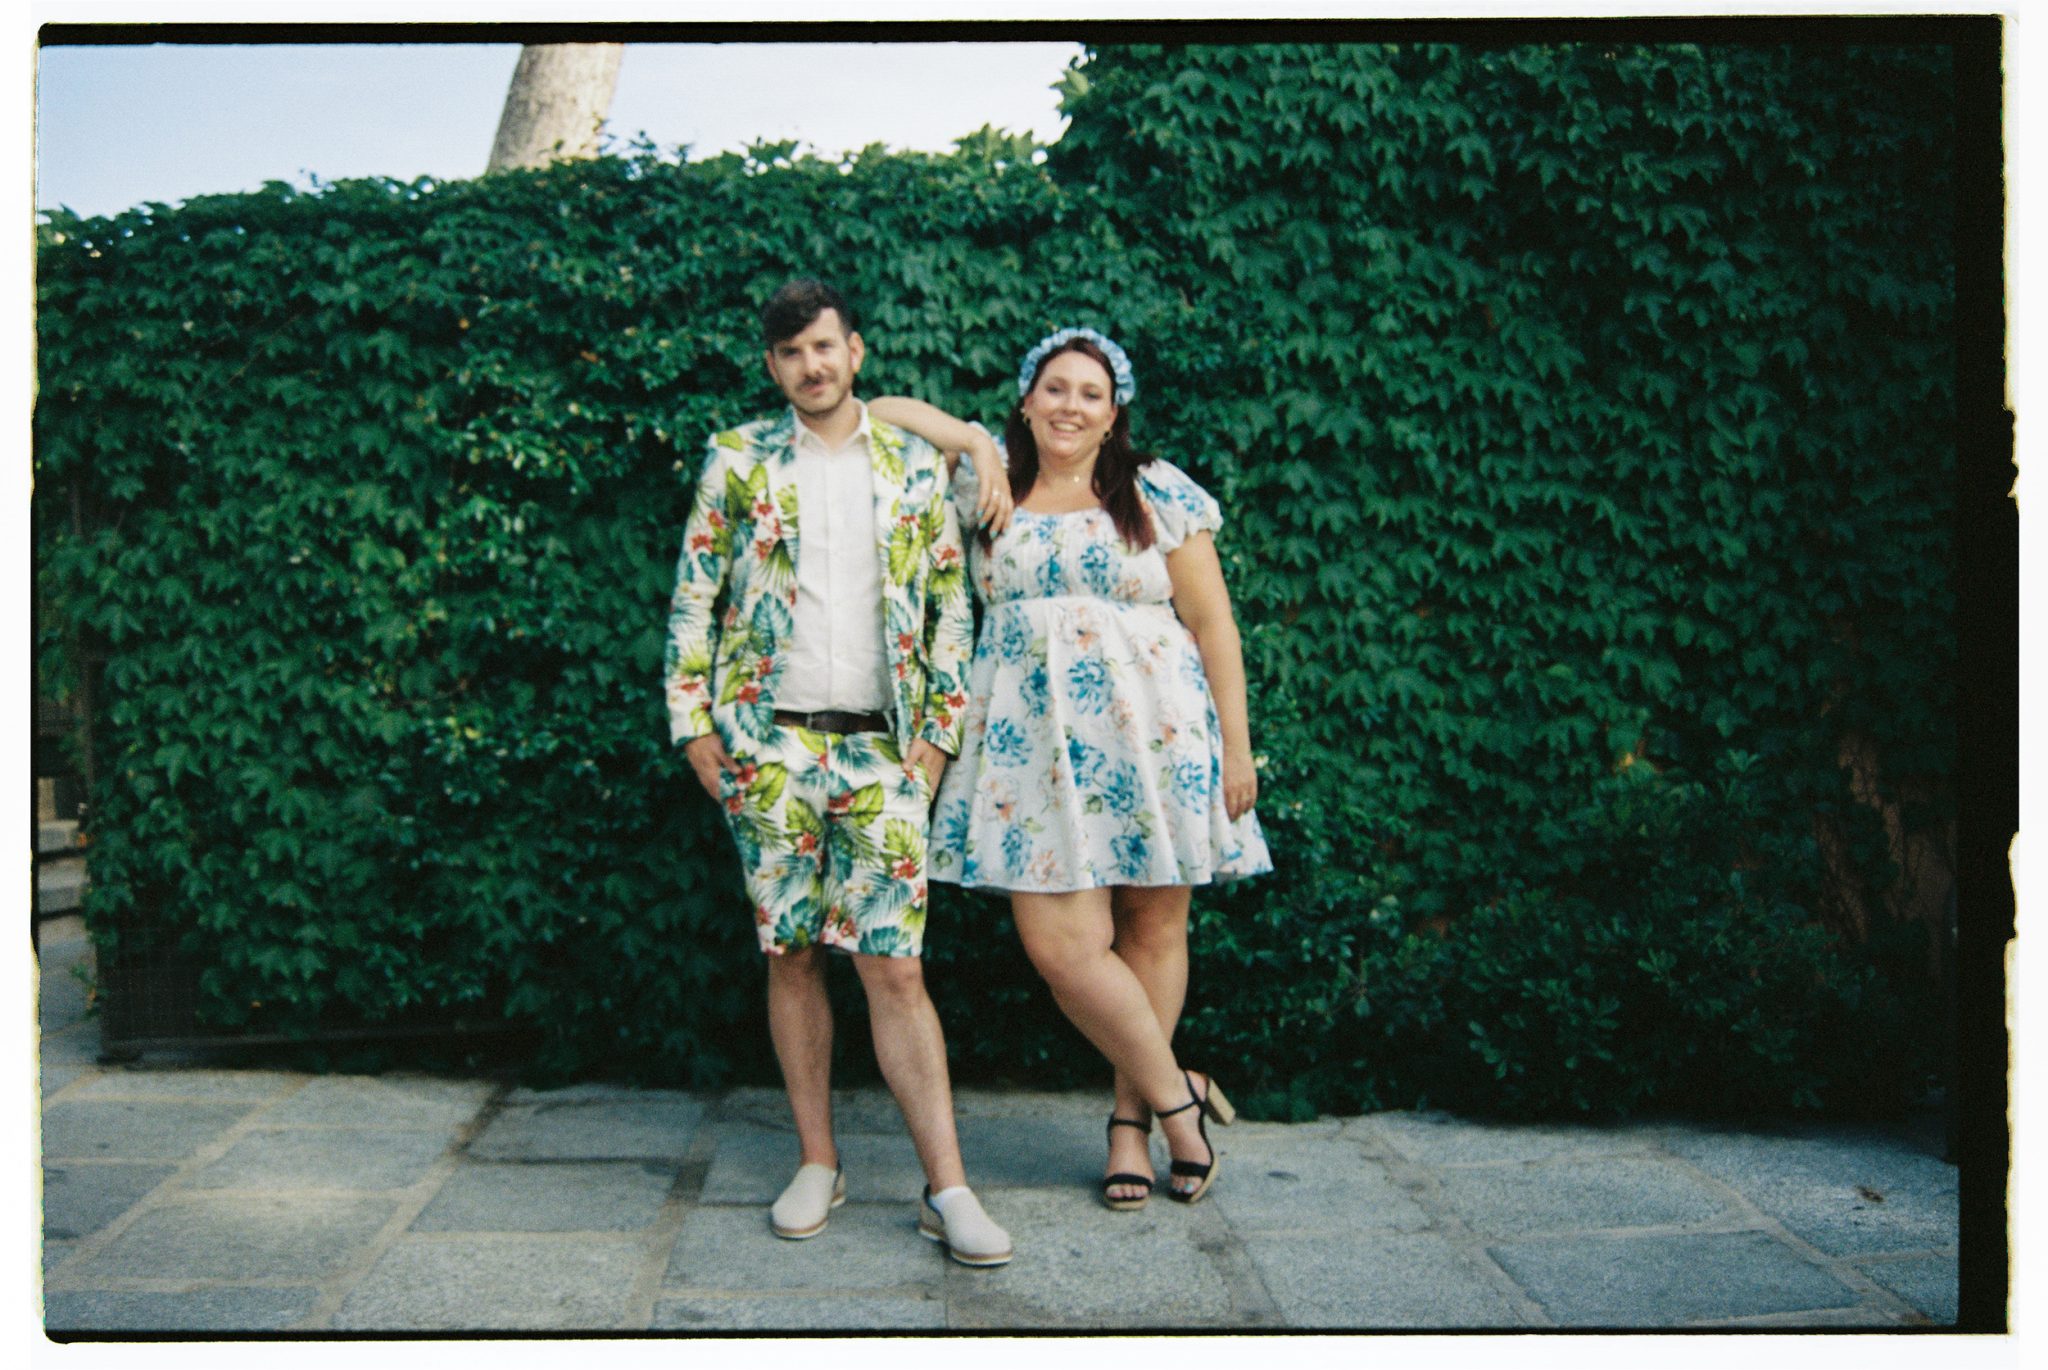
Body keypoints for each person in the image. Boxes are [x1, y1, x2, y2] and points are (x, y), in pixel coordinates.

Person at [869, 327, 1271, 1211]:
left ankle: (1131, 1126)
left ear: (1114, 413)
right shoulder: (986, 485)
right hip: (1030, 752)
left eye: (1092, 394)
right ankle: (1179, 1095)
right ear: (1026, 401)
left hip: (1157, 738)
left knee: (1153, 931)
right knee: (1062, 950)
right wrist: (972, 441)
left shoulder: (1155, 491)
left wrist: (1237, 749)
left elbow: (1214, 625)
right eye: (1055, 388)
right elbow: (877, 415)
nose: (1071, 407)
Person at [663, 279, 1013, 1267]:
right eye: (789, 353)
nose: (809, 366)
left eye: (823, 347)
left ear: (854, 351)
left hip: (882, 751)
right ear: (772, 365)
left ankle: (947, 1188)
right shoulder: (737, 459)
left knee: (895, 966)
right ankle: (817, 1161)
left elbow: (949, 604)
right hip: (767, 749)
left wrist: (937, 738)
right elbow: (695, 593)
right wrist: (693, 725)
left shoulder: (912, 462)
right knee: (790, 954)